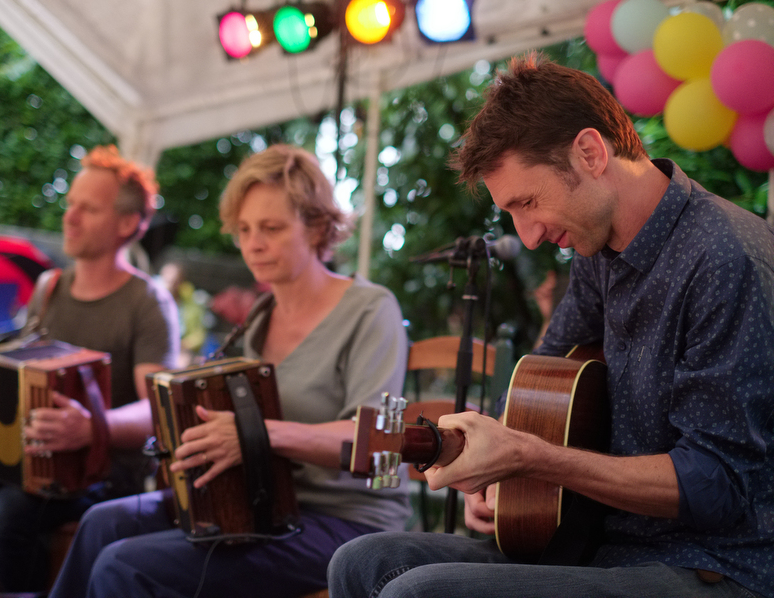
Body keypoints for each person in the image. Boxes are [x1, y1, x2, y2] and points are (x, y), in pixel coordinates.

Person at [329, 52, 774, 598]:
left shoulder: (726, 259)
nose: (530, 235)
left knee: (416, 593)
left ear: (589, 152)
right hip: (596, 540)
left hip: (712, 564)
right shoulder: (595, 250)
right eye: (510, 214)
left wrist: (530, 458)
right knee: (360, 562)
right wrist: (491, 464)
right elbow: (537, 390)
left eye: (529, 202)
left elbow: (720, 486)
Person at [48, 144, 410, 598]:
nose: (252, 244)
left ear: (318, 227)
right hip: (259, 502)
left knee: (125, 566)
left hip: (346, 523)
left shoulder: (370, 309)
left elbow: (378, 444)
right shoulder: (260, 318)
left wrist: (254, 435)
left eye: (271, 228)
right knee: (102, 522)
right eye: (243, 229)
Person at [0, 145, 180, 593]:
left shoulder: (149, 303)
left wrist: (92, 427)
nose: (69, 216)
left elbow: (158, 410)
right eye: (71, 203)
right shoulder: (48, 287)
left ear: (128, 223)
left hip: (106, 472)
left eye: (88, 208)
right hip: (31, 454)